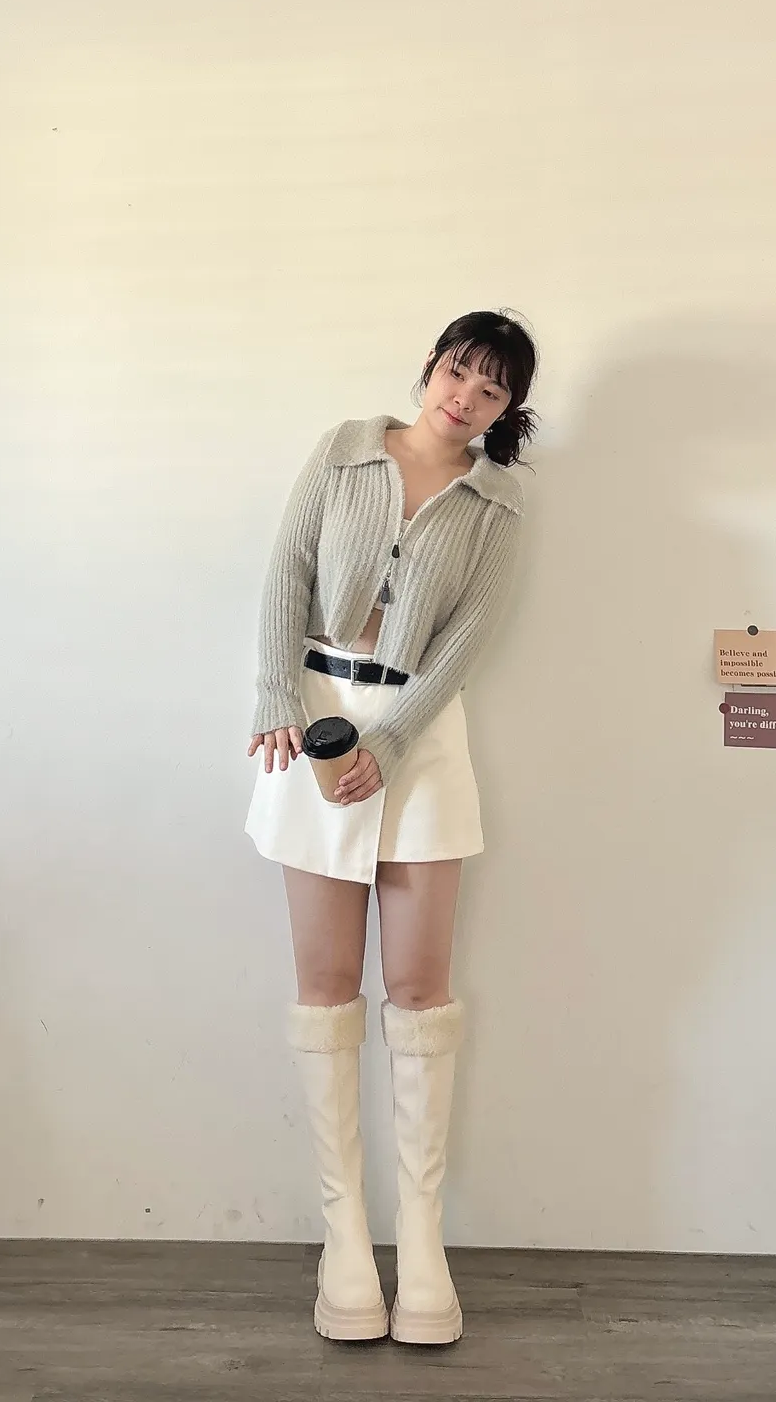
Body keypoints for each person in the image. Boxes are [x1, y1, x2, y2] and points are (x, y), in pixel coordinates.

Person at [245, 309, 539, 1345]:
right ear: (430, 368)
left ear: (507, 411)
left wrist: (398, 739)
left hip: (421, 737)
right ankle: (343, 1242)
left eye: (492, 389)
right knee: (328, 986)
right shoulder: (344, 451)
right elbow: (286, 573)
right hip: (318, 724)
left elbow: (468, 638)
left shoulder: (497, 504)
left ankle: (421, 1244)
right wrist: (275, 695)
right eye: (459, 371)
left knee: (419, 991)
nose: (466, 396)